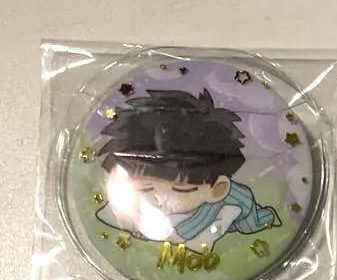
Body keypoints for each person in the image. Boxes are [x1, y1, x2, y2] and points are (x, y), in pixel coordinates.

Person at [96, 88, 280, 250]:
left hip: (241, 206)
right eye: (145, 188)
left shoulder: (224, 203)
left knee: (251, 222)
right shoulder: (125, 187)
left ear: (217, 189)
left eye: (180, 190)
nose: (161, 198)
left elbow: (187, 234)